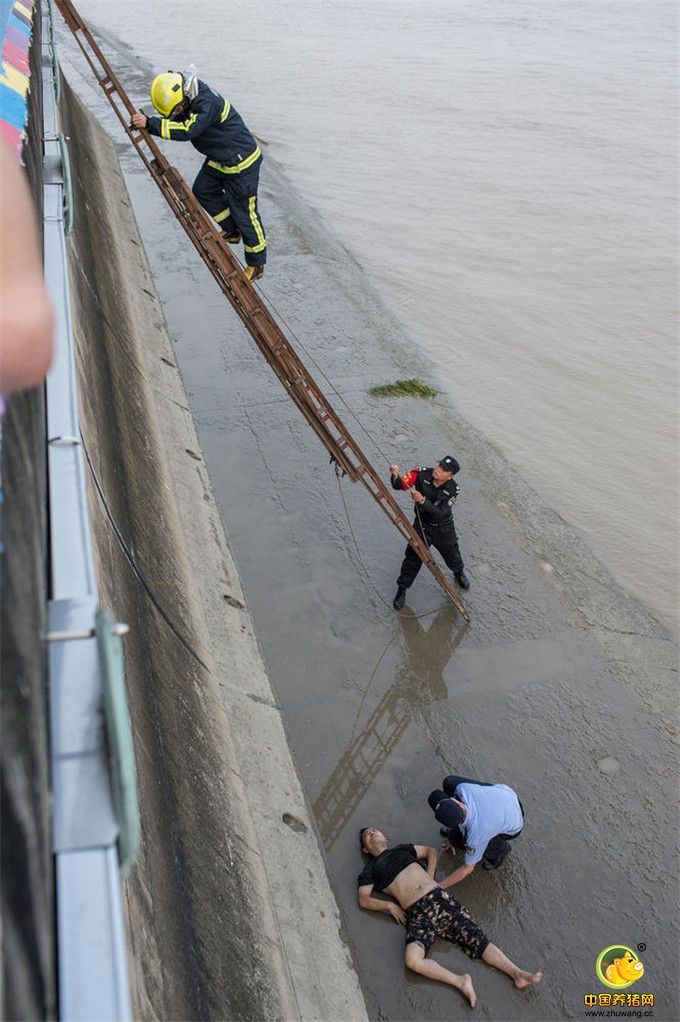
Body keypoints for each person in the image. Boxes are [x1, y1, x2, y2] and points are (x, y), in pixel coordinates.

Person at [357, 827, 541, 1008]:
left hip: (438, 900)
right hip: (416, 914)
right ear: (365, 849)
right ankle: (460, 981)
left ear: (385, 837)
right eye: (367, 835)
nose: (372, 833)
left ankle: (517, 974)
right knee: (412, 960)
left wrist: (429, 875)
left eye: (375, 830)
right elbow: (364, 899)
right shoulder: (371, 870)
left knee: (478, 940)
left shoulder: (402, 849)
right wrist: (389, 905)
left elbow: (430, 852)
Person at [131, 70, 266, 281]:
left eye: (178, 108)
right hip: (221, 156)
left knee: (245, 213)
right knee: (203, 190)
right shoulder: (189, 95)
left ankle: (257, 263)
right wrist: (153, 121)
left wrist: (151, 124)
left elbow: (187, 130)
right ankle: (232, 231)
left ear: (183, 97)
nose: (178, 112)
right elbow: (180, 120)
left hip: (241, 163)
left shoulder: (206, 103)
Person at [389, 455, 469, 610]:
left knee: (452, 553)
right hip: (422, 526)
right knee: (413, 557)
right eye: (439, 466)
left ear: (450, 476)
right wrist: (394, 474)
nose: (438, 470)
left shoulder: (453, 489)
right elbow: (400, 485)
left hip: (443, 528)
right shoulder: (421, 473)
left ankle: (459, 573)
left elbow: (441, 513)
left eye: (443, 470)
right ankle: (402, 590)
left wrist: (422, 501)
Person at [429, 774, 524, 885]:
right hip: (506, 794)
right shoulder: (461, 788)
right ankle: (454, 834)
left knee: (461, 842)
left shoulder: (475, 835)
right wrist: (451, 837)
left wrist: (439, 886)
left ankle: (500, 852)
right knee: (449, 782)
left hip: (515, 823)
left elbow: (467, 868)